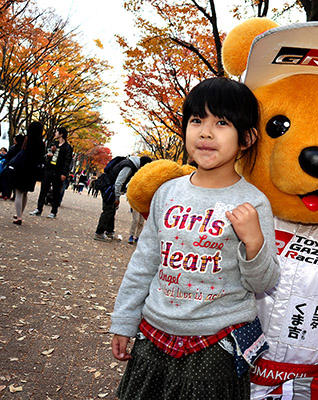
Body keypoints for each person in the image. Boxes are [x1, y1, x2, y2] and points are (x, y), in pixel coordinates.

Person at [109, 77, 280, 400]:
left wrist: (254, 244)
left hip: (217, 344)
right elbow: (144, 263)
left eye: (222, 123)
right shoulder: (167, 193)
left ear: (247, 137)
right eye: (197, 120)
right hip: (153, 334)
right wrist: (124, 321)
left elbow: (264, 282)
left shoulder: (253, 203)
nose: (205, 132)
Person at [93, 155, 153, 241]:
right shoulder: (129, 166)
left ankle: (109, 232)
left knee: (112, 209)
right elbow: (118, 182)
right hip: (109, 187)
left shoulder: (130, 162)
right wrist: (117, 197)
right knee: (108, 210)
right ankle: (99, 233)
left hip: (109, 186)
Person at [29, 126, 73, 219]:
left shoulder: (67, 147)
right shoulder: (54, 143)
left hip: (59, 171)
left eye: (57, 132)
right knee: (43, 190)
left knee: (56, 192)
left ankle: (53, 211)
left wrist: (64, 173)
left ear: (61, 134)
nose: (55, 133)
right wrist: (49, 155)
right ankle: (39, 209)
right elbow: (47, 155)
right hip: (49, 169)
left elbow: (67, 161)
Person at [10, 121, 45, 225]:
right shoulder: (41, 143)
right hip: (32, 171)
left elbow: (22, 152)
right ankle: (20, 214)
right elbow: (41, 157)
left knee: (18, 193)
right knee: (25, 193)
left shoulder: (27, 139)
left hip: (22, 168)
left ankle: (19, 217)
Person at [0, 135, 25, 200]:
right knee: (12, 181)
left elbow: (7, 155)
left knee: (5, 178)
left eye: (15, 139)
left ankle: (6, 194)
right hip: (16, 166)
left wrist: (2, 156)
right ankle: (9, 195)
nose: (14, 140)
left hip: (11, 165)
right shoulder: (22, 148)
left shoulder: (15, 148)